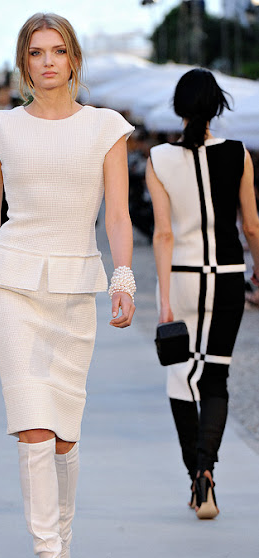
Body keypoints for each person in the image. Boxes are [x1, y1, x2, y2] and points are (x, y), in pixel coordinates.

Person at [0, 12, 136, 558]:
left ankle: (63, 545)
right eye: (36, 52)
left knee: (64, 436)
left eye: (58, 51)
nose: (48, 61)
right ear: (23, 62)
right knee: (33, 426)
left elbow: (117, 216)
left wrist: (123, 278)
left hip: (74, 288)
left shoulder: (106, 127)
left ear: (74, 59)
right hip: (10, 282)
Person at [146, 69, 259, 519]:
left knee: (180, 377)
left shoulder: (158, 159)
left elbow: (162, 235)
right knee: (216, 377)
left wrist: (165, 299)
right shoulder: (239, 153)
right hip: (228, 276)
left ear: (178, 108)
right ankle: (207, 469)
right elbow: (252, 226)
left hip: (184, 276)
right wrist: (258, 270)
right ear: (217, 106)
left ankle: (195, 476)